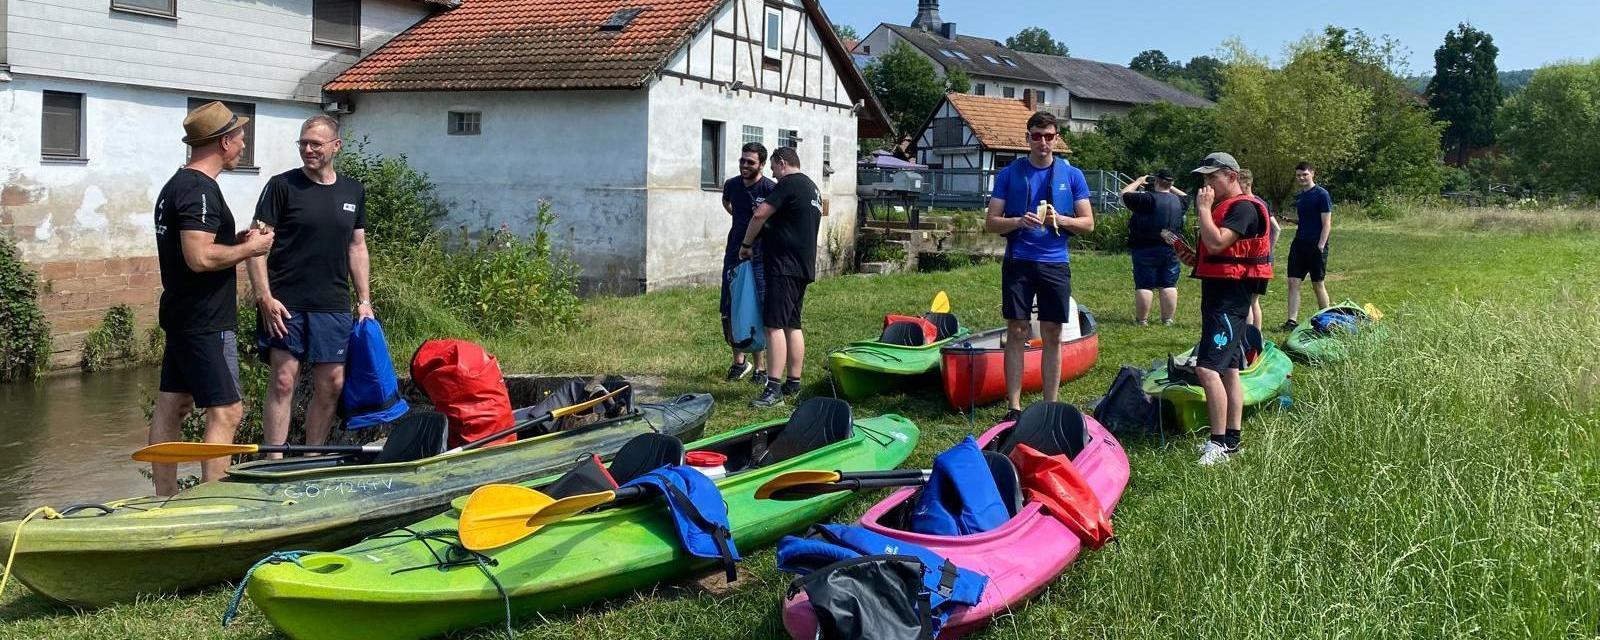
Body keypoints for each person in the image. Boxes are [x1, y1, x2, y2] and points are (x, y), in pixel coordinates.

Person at [150, 101, 275, 495]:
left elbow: (198, 247)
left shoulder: (177, 185)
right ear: (223, 142)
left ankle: (164, 498)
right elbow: (199, 257)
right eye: (240, 138)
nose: (243, 145)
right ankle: (213, 501)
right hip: (205, 320)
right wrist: (251, 249)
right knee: (227, 410)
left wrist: (232, 242)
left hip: (184, 316)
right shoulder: (199, 190)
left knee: (173, 404)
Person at [246, 115, 372, 456]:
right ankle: (274, 460)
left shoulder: (353, 190)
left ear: (336, 146)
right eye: (303, 143)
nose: (308, 149)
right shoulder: (281, 186)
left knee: (332, 384)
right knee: (283, 380)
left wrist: (364, 300)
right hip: (286, 304)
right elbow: (255, 246)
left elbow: (357, 246)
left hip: (332, 304)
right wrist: (264, 297)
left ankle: (312, 457)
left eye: (316, 143)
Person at [983, 111, 1094, 422]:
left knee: (1052, 333)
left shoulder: (1072, 175)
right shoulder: (1009, 174)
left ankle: (1050, 405)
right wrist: (1018, 221)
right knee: (1016, 330)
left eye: (1048, 136)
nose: (1043, 142)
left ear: (1056, 138)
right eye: (1036, 136)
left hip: (1055, 263)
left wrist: (1061, 219)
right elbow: (991, 223)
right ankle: (1014, 407)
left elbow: (1088, 224)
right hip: (1019, 261)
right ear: (1027, 138)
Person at [1189, 152, 1273, 466]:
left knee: (1207, 369)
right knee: (1230, 369)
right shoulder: (1229, 207)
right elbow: (1216, 252)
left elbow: (1216, 243)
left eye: (1213, 177)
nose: (1207, 184)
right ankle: (1232, 441)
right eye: (1205, 178)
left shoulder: (1243, 208)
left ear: (1232, 177)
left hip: (1229, 300)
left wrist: (1202, 209)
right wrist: (1193, 257)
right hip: (1221, 295)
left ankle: (1218, 444)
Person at [739, 147, 822, 408]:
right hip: (802, 266)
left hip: (783, 266)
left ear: (782, 163)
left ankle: (773, 389)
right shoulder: (812, 188)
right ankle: (793, 383)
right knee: (792, 324)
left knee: (773, 325)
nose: (773, 175)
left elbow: (760, 214)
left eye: (774, 168)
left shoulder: (789, 183)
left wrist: (746, 244)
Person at [720, 142, 775, 383]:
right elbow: (727, 203)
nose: (744, 165)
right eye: (742, 160)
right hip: (734, 252)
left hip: (759, 256)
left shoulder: (770, 189)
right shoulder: (732, 185)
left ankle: (760, 369)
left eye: (750, 162)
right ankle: (739, 362)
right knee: (731, 306)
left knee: (755, 308)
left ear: (761, 164)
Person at [1120, 168, 1187, 326]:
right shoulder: (1179, 201)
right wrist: (1170, 185)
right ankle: (1168, 320)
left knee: (1144, 285)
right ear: (1171, 183)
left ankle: (1142, 320)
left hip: (1145, 247)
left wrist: (1138, 181)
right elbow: (1185, 196)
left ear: (1156, 181)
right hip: (1171, 248)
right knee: (1169, 284)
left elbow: (1123, 195)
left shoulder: (1147, 199)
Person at [1282, 161, 1332, 330]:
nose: (1302, 178)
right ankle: (1291, 321)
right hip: (1299, 244)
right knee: (1293, 281)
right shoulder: (1301, 196)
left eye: (1305, 174)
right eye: (1298, 175)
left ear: (1312, 173)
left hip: (1316, 245)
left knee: (1317, 283)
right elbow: (1307, 219)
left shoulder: (1322, 194)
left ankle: (1327, 320)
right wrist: (1292, 221)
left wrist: (1321, 245)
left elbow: (1326, 223)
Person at [1238, 169, 1281, 330]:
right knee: (1253, 301)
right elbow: (1277, 229)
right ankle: (1257, 336)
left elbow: (1276, 229)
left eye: (1238, 183)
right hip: (1264, 259)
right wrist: (1268, 250)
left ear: (1248, 184)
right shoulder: (1261, 202)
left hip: (1254, 261)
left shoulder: (1246, 205)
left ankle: (1246, 337)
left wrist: (1264, 250)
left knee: (1246, 300)